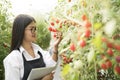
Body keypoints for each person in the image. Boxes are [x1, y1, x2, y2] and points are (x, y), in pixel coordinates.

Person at [3, 14, 62, 80]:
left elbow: (52, 65)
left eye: (35, 29)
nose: (34, 32)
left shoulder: (38, 50)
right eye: (31, 29)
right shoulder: (13, 58)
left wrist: (55, 47)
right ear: (21, 30)